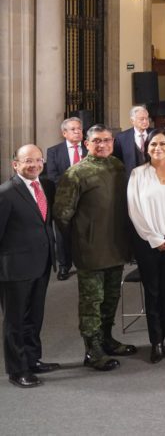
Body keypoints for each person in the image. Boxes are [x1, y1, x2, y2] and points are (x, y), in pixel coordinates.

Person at [54, 125, 135, 371]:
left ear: (112, 143)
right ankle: (92, 349)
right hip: (90, 249)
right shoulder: (75, 173)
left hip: (116, 245)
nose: (102, 145)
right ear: (87, 144)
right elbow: (62, 214)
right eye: (96, 141)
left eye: (107, 140)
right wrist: (80, 239)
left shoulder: (117, 167)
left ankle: (106, 339)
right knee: (92, 301)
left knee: (111, 297)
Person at [126, 129, 165, 363]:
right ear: (147, 148)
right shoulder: (137, 174)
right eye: (153, 144)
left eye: (162, 143)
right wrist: (154, 238)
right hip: (147, 243)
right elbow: (135, 211)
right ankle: (156, 342)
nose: (157, 148)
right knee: (153, 293)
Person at [1, 145, 59, 388]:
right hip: (14, 268)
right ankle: (17, 369)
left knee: (34, 316)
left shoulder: (45, 186)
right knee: (15, 321)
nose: (33, 165)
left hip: (41, 263)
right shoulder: (5, 193)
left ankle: (33, 360)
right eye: (27, 161)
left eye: (37, 160)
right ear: (16, 165)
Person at [44, 116, 86, 280]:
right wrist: (73, 186)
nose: (77, 132)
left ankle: (84, 263)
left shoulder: (89, 149)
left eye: (79, 129)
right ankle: (64, 266)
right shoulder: (54, 151)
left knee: (84, 233)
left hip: (86, 199)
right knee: (63, 234)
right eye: (73, 129)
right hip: (64, 199)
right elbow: (53, 176)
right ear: (64, 133)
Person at [113, 105, 153, 176]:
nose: (145, 121)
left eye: (147, 118)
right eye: (142, 119)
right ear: (132, 121)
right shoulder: (121, 137)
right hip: (132, 178)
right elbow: (116, 160)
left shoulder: (156, 134)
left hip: (153, 176)